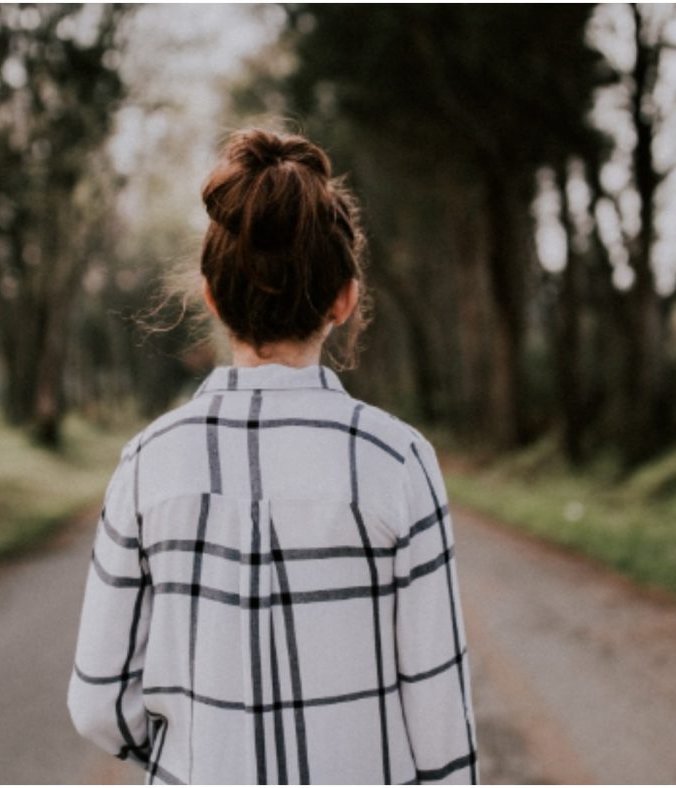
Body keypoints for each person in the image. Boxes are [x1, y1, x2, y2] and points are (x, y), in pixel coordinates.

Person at [67, 127, 478, 785]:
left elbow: (98, 705)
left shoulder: (146, 465)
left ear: (212, 296)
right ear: (344, 298)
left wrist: (198, 752)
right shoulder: (399, 461)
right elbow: (439, 716)